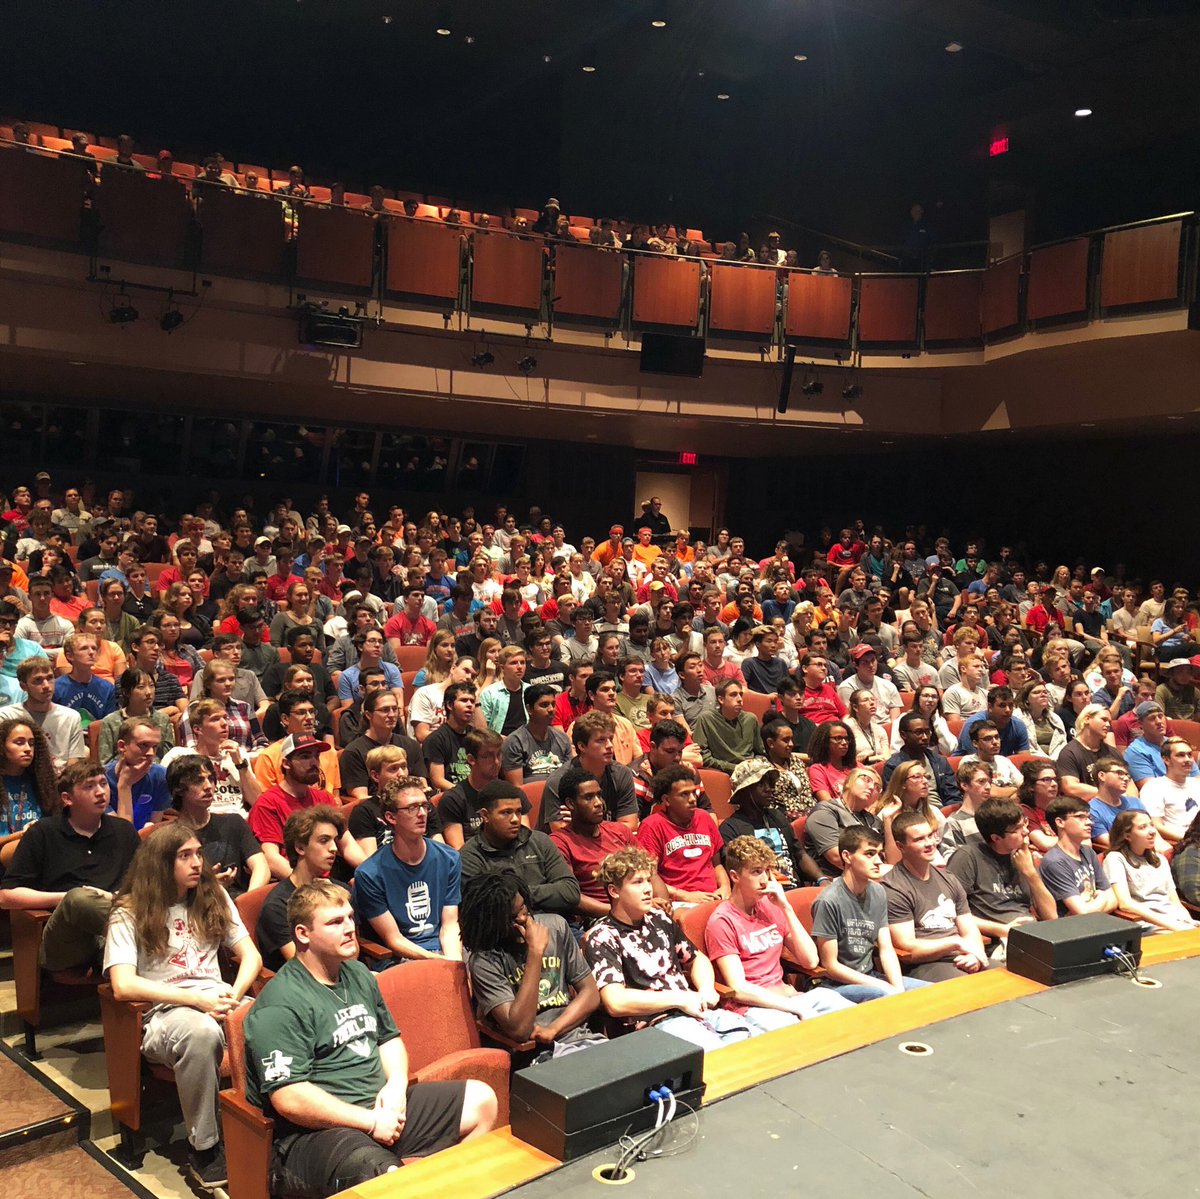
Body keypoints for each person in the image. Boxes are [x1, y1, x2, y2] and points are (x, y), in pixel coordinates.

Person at [243, 880, 497, 1196]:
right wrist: (370, 1121)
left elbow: (388, 1039)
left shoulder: (359, 974)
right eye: (335, 922)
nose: (350, 927)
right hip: (316, 1136)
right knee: (381, 1173)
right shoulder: (280, 1003)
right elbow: (290, 1099)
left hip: (380, 1110)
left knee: (482, 1102)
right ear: (302, 934)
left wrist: (396, 1087)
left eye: (350, 917)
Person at [103, 822, 261, 1191]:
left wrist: (234, 996)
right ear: (160, 862)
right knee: (202, 1032)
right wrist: (196, 1000)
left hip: (219, 998)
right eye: (184, 856)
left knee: (277, 1017)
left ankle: (270, 1125)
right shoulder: (128, 911)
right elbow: (123, 985)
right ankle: (203, 1147)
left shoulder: (214, 896)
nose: (196, 863)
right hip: (163, 1013)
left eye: (198, 854)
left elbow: (250, 955)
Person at [583, 847, 752, 1049]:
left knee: (749, 1039)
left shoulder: (659, 919)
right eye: (637, 882)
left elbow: (697, 959)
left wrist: (706, 988)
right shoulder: (602, 936)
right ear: (614, 891)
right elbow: (615, 1001)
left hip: (695, 1011)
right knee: (714, 1051)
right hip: (656, 1025)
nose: (648, 889)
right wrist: (678, 999)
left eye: (648, 880)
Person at [0, 759, 140, 972]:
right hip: (66, 941)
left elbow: (144, 884)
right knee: (79, 898)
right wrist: (66, 898)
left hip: (114, 933)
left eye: (103, 783)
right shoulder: (43, 832)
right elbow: (7, 897)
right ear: (67, 798)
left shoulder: (124, 831)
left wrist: (112, 897)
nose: (100, 792)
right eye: (89, 786)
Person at [704, 836, 853, 1030]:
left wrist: (785, 907)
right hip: (754, 1007)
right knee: (808, 1033)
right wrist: (793, 1007)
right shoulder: (722, 921)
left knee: (849, 1014)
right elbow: (739, 988)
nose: (765, 879)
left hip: (790, 997)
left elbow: (810, 961)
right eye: (756, 872)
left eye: (767, 871)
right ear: (735, 876)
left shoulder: (771, 906)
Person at [460, 872, 602, 1056]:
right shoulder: (485, 961)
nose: (522, 918)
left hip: (578, 1039)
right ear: (491, 922)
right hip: (535, 1054)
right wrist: (535, 953)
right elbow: (519, 1030)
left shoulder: (556, 927)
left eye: (523, 909)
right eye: (511, 917)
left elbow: (590, 994)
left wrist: (553, 1030)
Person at [353, 776, 462, 964]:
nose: (422, 813)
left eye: (424, 806)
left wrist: (455, 963)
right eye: (412, 808)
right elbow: (393, 939)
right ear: (391, 817)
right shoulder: (369, 874)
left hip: (444, 948)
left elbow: (449, 925)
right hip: (401, 957)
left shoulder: (449, 859)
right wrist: (439, 962)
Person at [812, 827, 928, 1003]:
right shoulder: (829, 900)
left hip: (871, 976)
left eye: (880, 854)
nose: (878, 861)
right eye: (869, 854)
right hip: (837, 985)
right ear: (847, 856)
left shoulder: (878, 892)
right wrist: (883, 987)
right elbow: (831, 966)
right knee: (884, 996)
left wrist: (897, 988)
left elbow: (886, 948)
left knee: (930, 992)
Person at [881, 808, 989, 982]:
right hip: (926, 964)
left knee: (1011, 977)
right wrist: (955, 943)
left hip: (962, 955)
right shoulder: (894, 887)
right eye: (919, 839)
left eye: (930, 835)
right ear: (901, 847)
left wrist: (975, 955)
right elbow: (907, 946)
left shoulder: (949, 879)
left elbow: (969, 928)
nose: (929, 843)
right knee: (971, 987)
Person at [944, 798, 1058, 951]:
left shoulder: (1022, 855)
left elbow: (1051, 916)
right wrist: (1003, 930)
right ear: (996, 838)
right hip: (997, 940)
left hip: (1032, 934)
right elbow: (951, 914)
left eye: (1024, 823)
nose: (1026, 831)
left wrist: (1031, 874)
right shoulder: (967, 857)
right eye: (1017, 828)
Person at [458, 780, 581, 918]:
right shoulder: (470, 856)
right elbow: (483, 907)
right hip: (505, 932)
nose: (516, 819)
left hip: (557, 923)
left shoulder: (540, 841)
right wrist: (543, 894)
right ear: (485, 815)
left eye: (518, 812)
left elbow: (570, 892)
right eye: (506, 813)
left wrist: (520, 894)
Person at [249, 735, 362, 879]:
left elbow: (347, 845)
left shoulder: (324, 798)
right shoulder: (267, 803)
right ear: (286, 764)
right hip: (295, 883)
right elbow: (271, 859)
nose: (314, 762)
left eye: (316, 756)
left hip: (328, 880)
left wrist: (372, 871)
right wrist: (311, 884)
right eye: (305, 757)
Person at [256, 806, 346, 972]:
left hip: (344, 973)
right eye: (324, 840)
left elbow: (352, 947)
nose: (334, 848)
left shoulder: (340, 891)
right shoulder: (279, 905)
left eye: (334, 840)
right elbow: (305, 965)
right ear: (300, 848)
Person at [166, 755, 269, 898]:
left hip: (238, 903)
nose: (209, 786)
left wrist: (247, 901)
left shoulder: (233, 822)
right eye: (198, 780)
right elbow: (164, 889)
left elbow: (261, 867)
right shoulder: (168, 837)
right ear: (178, 789)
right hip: (193, 908)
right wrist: (208, 887)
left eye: (211, 779)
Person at [548, 768, 640, 923]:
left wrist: (662, 902)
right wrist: (617, 912)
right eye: (589, 797)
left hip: (638, 906)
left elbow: (651, 873)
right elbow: (571, 896)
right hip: (601, 917)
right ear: (571, 803)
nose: (598, 803)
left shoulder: (620, 830)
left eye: (599, 795)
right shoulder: (559, 842)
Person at [637, 765, 728, 904]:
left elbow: (717, 865)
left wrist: (725, 887)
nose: (692, 799)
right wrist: (685, 896)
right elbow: (649, 877)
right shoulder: (652, 826)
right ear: (667, 800)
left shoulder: (704, 817)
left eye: (693, 792)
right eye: (684, 794)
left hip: (714, 897)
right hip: (678, 901)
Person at [717, 758, 810, 887]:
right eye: (761, 784)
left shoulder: (777, 816)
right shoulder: (730, 828)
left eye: (770, 783)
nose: (769, 789)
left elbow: (799, 854)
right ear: (745, 790)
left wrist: (822, 879)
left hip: (793, 887)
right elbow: (739, 874)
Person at [542, 710, 638, 831]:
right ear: (582, 746)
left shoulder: (622, 774)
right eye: (601, 740)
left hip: (607, 845)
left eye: (610, 739)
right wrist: (607, 828)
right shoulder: (559, 780)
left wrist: (584, 825)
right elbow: (559, 830)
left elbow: (630, 825)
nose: (609, 745)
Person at [1103, 810, 1195, 932]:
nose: (1152, 831)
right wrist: (1172, 925)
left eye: (1152, 825)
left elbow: (1175, 902)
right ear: (1127, 835)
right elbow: (1125, 903)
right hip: (1145, 923)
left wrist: (1189, 922)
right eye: (1143, 827)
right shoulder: (1115, 858)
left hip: (1174, 920)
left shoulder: (1160, 859)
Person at [1037, 796, 1118, 917]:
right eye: (1080, 817)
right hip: (1073, 931)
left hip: (1097, 923)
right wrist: (1101, 898)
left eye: (1089, 817)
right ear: (1060, 822)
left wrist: (1092, 907)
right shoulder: (1055, 861)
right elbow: (1082, 912)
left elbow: (1113, 900)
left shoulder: (1088, 852)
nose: (1089, 822)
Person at [0, 656, 86, 768]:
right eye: (38, 680)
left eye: (50, 678)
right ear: (23, 686)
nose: (46, 686)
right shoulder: (7, 716)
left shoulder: (71, 717)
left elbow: (74, 764)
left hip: (61, 780)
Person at [438, 729, 516, 848]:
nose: (496, 762)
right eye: (488, 756)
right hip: (475, 863)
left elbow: (524, 840)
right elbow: (459, 850)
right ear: (471, 759)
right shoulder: (453, 799)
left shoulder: (511, 793)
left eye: (499, 754)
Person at [338, 689, 424, 797]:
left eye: (395, 709)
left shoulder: (411, 745)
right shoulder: (354, 752)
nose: (392, 715)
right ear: (368, 715)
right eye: (385, 710)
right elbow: (361, 797)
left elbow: (422, 785)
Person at [97, 668, 175, 765]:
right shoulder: (111, 722)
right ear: (126, 692)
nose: (148, 692)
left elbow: (169, 757)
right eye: (141, 687)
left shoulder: (162, 719)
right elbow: (105, 763)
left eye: (151, 686)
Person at [106, 716, 171, 828]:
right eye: (144, 745)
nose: (151, 753)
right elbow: (121, 834)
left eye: (155, 747)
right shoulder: (101, 780)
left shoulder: (161, 776)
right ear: (122, 746)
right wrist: (125, 786)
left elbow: (154, 827)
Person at [0, 717, 57, 844]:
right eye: (19, 743)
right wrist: (21, 835)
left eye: (31, 744)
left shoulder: (42, 783)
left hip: (36, 851)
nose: (27, 749)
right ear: (2, 746)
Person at [500, 683, 571, 785]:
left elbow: (571, 781)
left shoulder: (563, 739)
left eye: (553, 704)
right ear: (529, 709)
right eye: (544, 705)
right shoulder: (515, 742)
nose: (551, 709)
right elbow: (517, 789)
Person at [1056, 705, 1128, 800]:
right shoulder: (1069, 753)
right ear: (1087, 719)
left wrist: (1132, 801)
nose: (1108, 725)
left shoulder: (1112, 752)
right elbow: (1070, 787)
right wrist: (1108, 792)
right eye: (1104, 719)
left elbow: (1129, 783)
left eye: (1109, 722)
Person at [1138, 736, 1200, 844]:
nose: (1187, 759)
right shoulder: (1154, 787)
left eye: (1189, 755)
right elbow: (1156, 826)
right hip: (1181, 843)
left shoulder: (1196, 784)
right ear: (1166, 760)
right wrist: (1189, 840)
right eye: (1180, 755)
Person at [693, 680, 764, 774]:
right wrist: (735, 768)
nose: (740, 699)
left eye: (740, 694)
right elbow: (702, 757)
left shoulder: (750, 719)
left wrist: (755, 765)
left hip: (752, 770)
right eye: (733, 695)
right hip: (725, 772)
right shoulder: (706, 719)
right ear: (721, 699)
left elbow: (760, 752)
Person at [423, 681, 477, 792]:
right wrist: (466, 793)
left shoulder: (475, 736)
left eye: (472, 701)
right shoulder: (436, 739)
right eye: (463, 700)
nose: (469, 705)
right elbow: (438, 781)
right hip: (452, 797)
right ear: (449, 705)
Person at [53, 631, 117, 723]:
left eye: (94, 648)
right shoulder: (56, 687)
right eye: (84, 648)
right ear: (70, 656)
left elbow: (109, 724)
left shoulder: (107, 688)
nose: (91, 652)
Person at [938, 760, 993, 862]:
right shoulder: (954, 823)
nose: (988, 787)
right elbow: (956, 862)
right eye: (981, 782)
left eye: (989, 782)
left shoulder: (995, 816)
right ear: (964, 786)